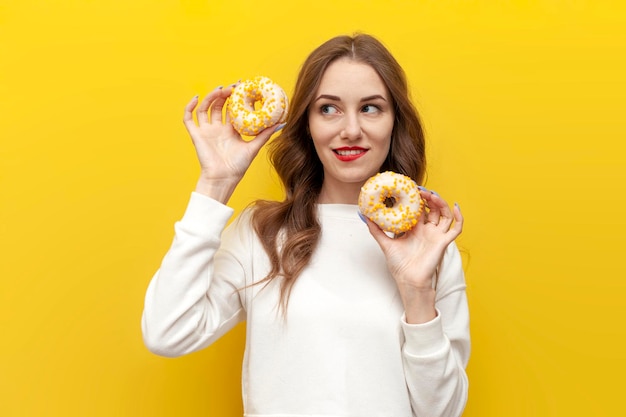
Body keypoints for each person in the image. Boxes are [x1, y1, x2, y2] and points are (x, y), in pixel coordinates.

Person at [142, 33, 470, 417]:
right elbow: (167, 332)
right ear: (307, 124)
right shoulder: (262, 234)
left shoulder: (430, 246)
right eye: (328, 109)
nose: (350, 130)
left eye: (370, 108)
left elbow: (442, 411)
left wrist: (416, 292)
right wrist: (215, 184)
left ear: (394, 121)